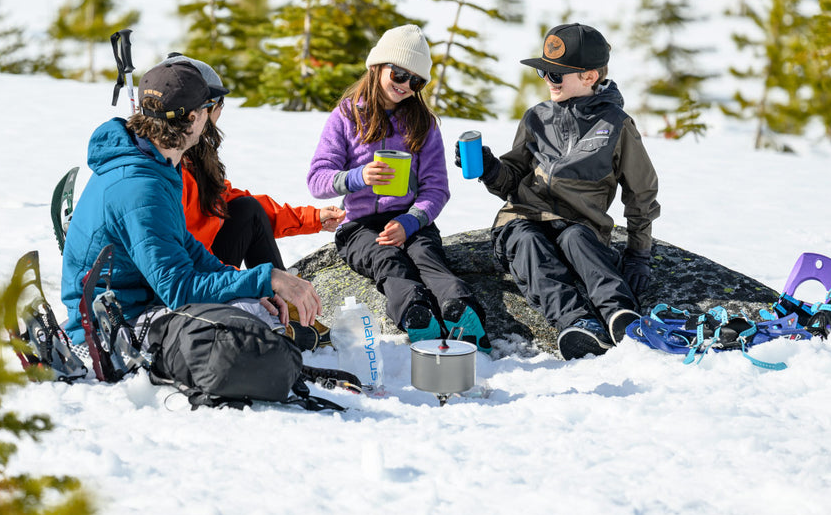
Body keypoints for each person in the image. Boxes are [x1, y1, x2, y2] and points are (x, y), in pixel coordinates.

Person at [61, 60, 321, 349]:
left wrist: (252, 284)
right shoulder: (141, 187)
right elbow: (179, 289)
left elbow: (190, 250)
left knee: (258, 313)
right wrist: (265, 278)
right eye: (210, 108)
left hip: (137, 304)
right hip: (112, 327)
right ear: (195, 117)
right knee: (258, 334)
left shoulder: (155, 166)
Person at [457, 23, 660, 360]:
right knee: (527, 242)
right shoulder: (535, 118)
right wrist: (491, 169)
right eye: (545, 72)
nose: (548, 80)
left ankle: (619, 313)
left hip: (581, 221)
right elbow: (512, 178)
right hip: (524, 216)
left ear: (589, 77)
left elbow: (641, 191)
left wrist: (639, 254)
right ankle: (577, 322)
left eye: (556, 74)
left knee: (577, 241)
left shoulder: (616, 124)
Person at [307, 24, 491, 353]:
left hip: (411, 219)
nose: (405, 86)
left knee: (427, 257)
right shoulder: (347, 116)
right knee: (387, 259)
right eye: (399, 74)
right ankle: (416, 315)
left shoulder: (423, 123)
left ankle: (462, 313)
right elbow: (318, 179)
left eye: (416, 81)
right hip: (359, 225)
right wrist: (358, 176)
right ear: (377, 67)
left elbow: (436, 188)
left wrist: (410, 222)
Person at [163, 53, 346, 271]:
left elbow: (229, 201)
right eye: (219, 103)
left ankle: (280, 300)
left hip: (199, 263)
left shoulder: (192, 157)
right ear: (201, 110)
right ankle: (274, 295)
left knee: (247, 209)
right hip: (183, 278)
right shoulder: (170, 168)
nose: (220, 112)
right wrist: (242, 282)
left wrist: (313, 218)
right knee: (247, 211)